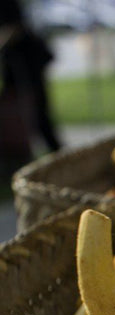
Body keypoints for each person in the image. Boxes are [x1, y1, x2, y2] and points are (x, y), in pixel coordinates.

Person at [0, 0, 62, 183]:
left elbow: (14, 28)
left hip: (26, 70)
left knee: (40, 120)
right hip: (17, 72)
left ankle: (61, 164)